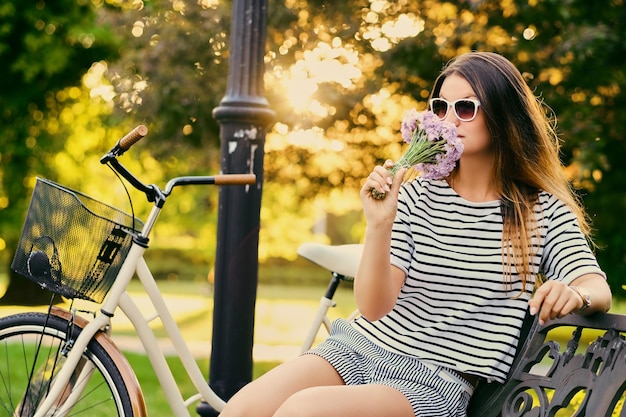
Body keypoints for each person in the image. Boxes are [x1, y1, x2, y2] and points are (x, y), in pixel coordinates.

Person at [219, 51, 612, 417]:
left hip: (435, 380)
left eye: (466, 107)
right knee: (240, 411)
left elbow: (596, 286)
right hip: (358, 347)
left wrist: (575, 293)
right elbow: (374, 308)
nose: (449, 118)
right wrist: (379, 223)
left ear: (503, 115)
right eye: (440, 107)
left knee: (304, 411)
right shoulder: (416, 193)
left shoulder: (538, 212)